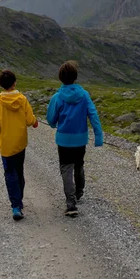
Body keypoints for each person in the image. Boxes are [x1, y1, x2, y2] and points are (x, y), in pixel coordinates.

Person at [46, 60, 103, 217]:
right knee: (79, 166)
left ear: (60, 78)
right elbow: (93, 115)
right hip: (80, 140)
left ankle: (71, 204)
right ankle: (79, 192)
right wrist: (98, 137)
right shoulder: (84, 95)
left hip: (63, 141)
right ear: (75, 77)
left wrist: (53, 124)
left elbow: (51, 119)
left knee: (66, 169)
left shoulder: (57, 97)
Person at [0, 69, 38, 221]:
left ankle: (16, 206)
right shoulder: (22, 99)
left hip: (6, 144)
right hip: (20, 143)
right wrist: (34, 122)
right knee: (19, 171)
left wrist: (0, 128)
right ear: (15, 83)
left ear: (1, 85)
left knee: (10, 173)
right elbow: (30, 120)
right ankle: (19, 200)